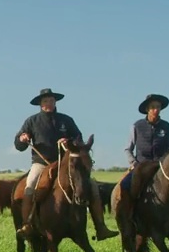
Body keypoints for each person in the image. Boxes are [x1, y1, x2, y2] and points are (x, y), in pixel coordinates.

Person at [14, 89, 117, 241]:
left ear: (55, 102)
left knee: (93, 187)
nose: (48, 103)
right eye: (45, 101)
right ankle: (27, 224)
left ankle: (100, 227)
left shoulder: (66, 120)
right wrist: (22, 138)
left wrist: (68, 142)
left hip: (67, 164)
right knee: (30, 186)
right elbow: (18, 144)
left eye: (50, 100)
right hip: (41, 164)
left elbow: (79, 139)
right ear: (40, 104)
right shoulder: (32, 121)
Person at [117, 93, 169, 236]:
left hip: (162, 166)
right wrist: (133, 163)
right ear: (147, 109)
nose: (156, 110)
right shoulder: (137, 126)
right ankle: (130, 218)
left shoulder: (166, 127)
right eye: (153, 107)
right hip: (141, 166)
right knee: (125, 186)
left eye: (158, 107)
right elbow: (127, 148)